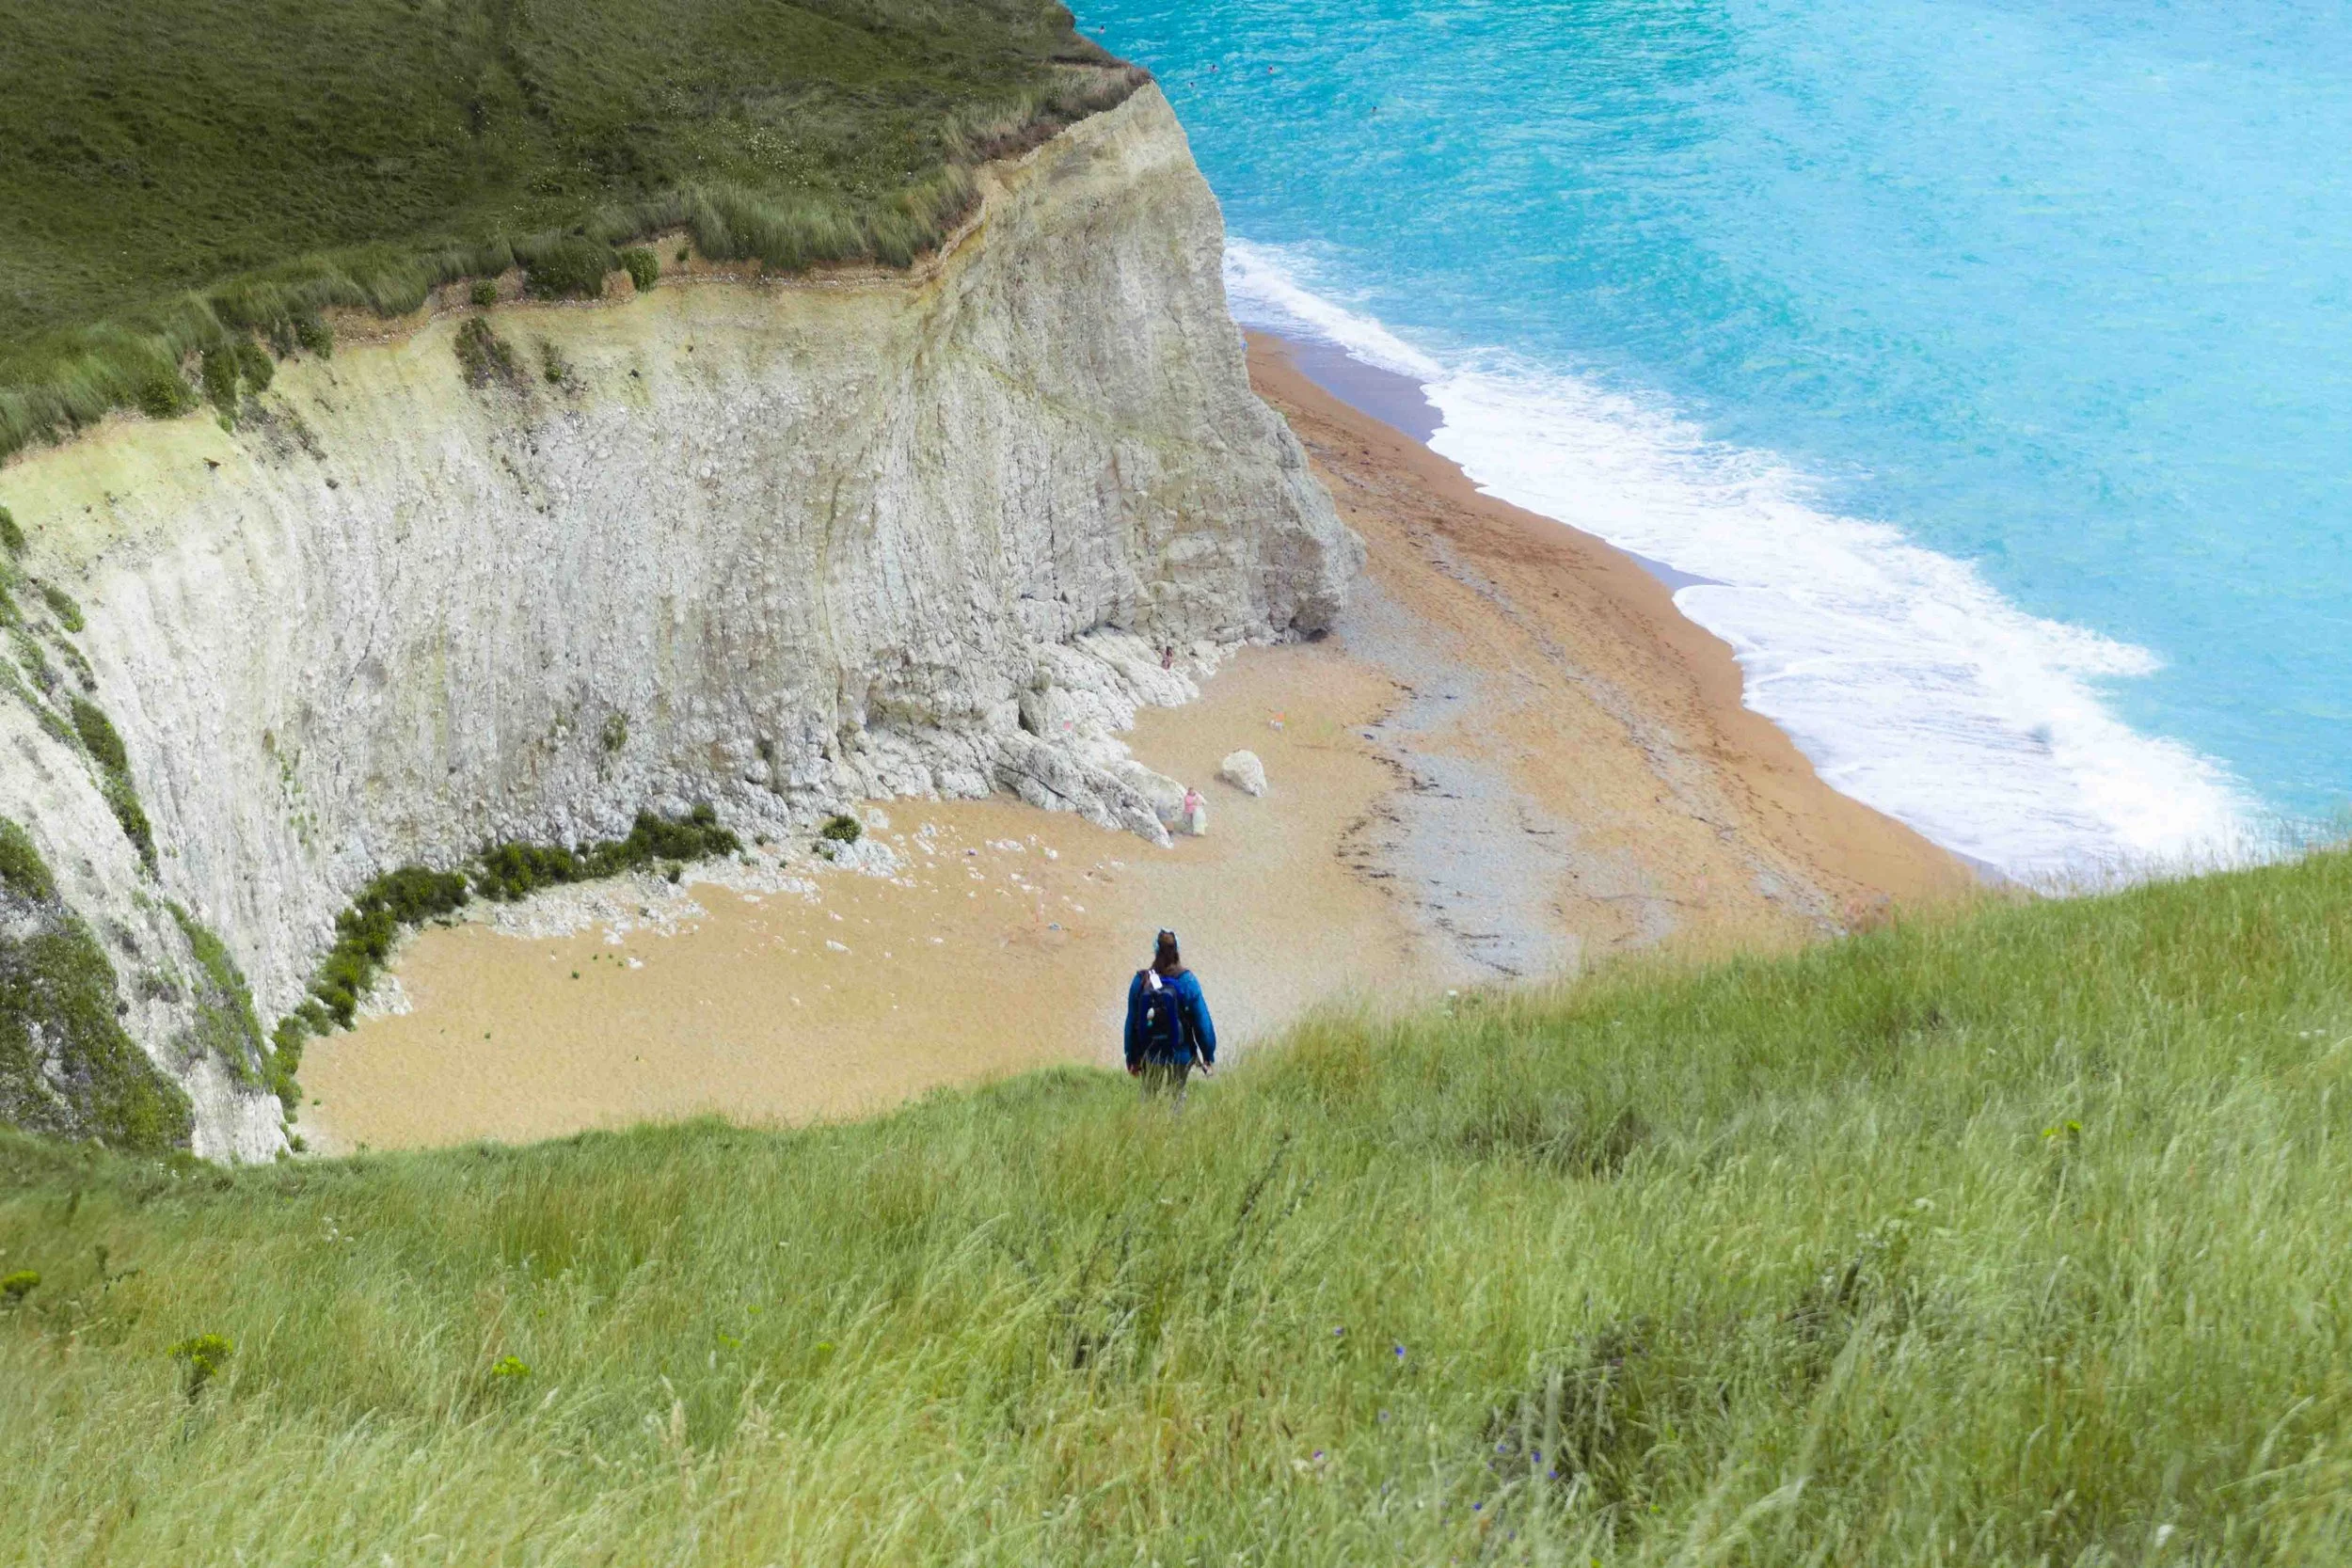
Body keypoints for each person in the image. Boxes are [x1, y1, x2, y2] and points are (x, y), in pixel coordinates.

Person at [1124, 928, 1216, 1097]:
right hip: (1181, 1053)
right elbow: (1203, 1023)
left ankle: (1145, 1122)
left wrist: (1131, 1057)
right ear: (1177, 950)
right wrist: (1208, 1055)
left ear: (1156, 950)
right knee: (1177, 1095)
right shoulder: (1188, 981)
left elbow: (1131, 1022)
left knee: (1148, 1094)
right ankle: (1175, 1122)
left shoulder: (1141, 981)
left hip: (1150, 1053)